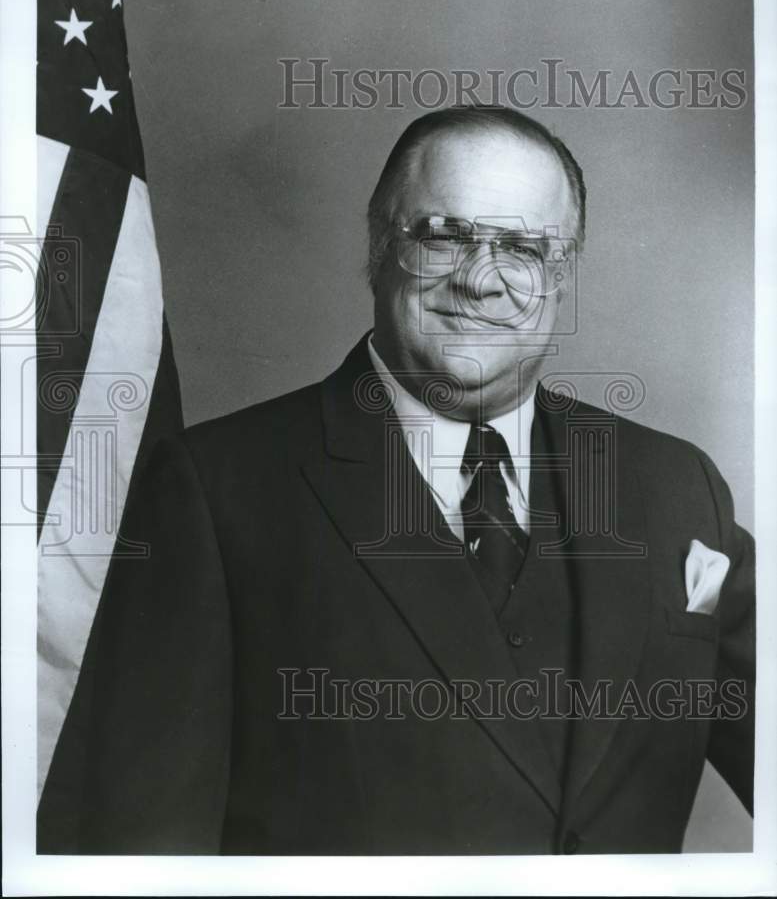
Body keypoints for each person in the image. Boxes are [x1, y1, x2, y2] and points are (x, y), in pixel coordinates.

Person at [38, 106, 754, 855]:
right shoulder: (215, 492)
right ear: (379, 249)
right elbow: (141, 846)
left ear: (561, 278)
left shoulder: (676, 487)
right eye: (444, 235)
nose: (482, 279)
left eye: (521, 247)